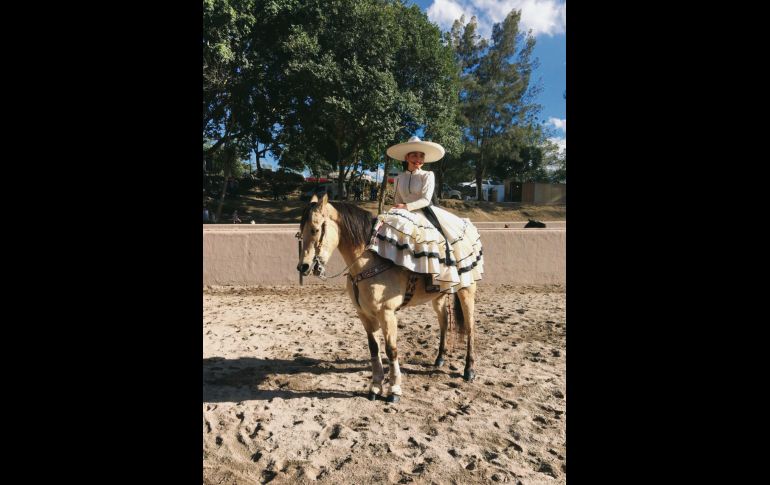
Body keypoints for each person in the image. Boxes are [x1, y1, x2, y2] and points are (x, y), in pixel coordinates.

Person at [370, 136, 484, 293]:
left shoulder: (428, 175)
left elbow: (425, 200)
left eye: (421, 156)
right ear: (407, 157)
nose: (418, 159)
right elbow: (398, 200)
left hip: (425, 211)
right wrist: (399, 209)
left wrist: (407, 207)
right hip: (404, 213)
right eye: (414, 155)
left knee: (433, 238)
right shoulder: (398, 179)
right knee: (386, 230)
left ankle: (433, 278)